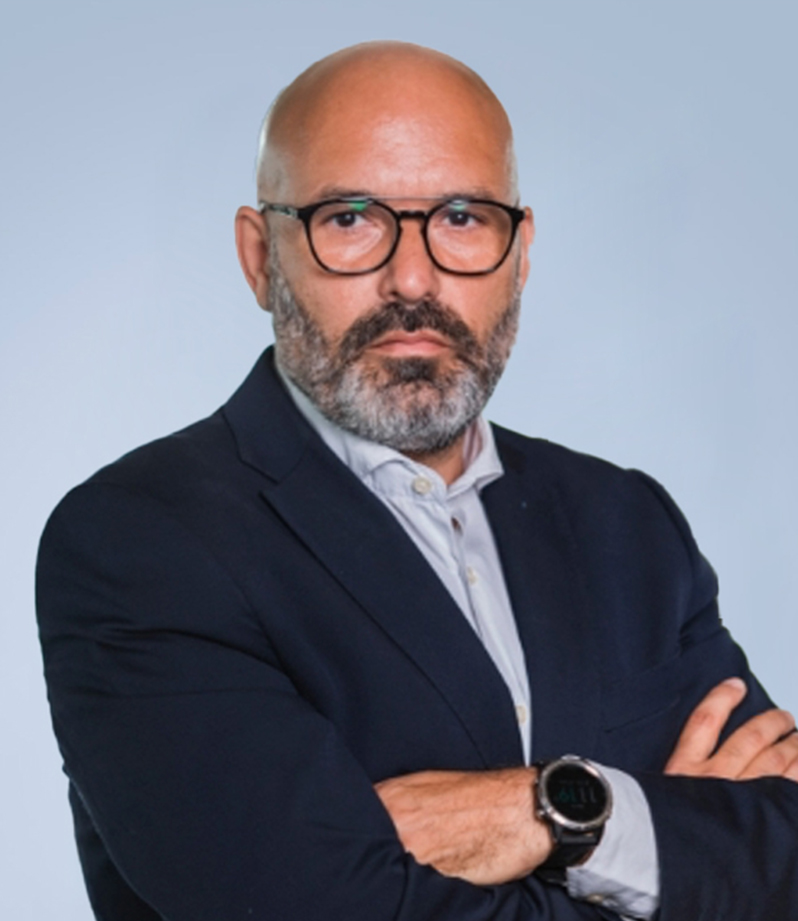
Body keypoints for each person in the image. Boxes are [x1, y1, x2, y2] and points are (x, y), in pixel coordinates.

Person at [36, 41, 798, 921]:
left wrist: (560, 811)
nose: (413, 278)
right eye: (350, 218)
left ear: (520, 254)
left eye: (463, 217)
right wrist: (668, 850)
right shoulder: (140, 541)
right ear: (260, 257)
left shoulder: (628, 524)